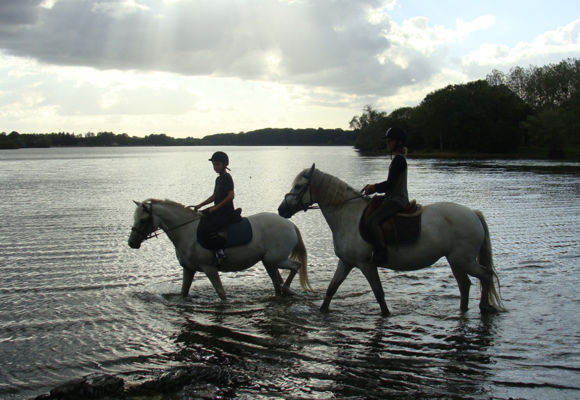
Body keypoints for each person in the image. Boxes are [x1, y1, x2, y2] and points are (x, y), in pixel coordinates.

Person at [362, 127, 410, 263]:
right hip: (393, 197)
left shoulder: (398, 160)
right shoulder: (397, 159)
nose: (387, 143)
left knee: (372, 221)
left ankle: (381, 252)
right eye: (388, 140)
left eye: (390, 141)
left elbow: (390, 184)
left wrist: (374, 187)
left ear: (398, 142)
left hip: (397, 200)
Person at [193, 151, 240, 263]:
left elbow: (231, 195)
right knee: (201, 218)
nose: (215, 167)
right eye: (214, 164)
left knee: (209, 227)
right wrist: (200, 205)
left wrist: (215, 208)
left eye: (217, 164)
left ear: (224, 164)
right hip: (218, 210)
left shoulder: (227, 178)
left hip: (226, 212)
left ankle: (220, 250)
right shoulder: (218, 179)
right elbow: (215, 196)